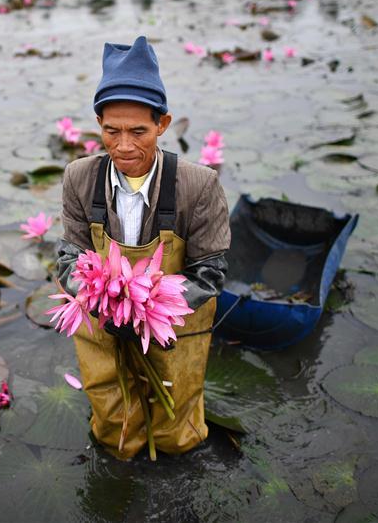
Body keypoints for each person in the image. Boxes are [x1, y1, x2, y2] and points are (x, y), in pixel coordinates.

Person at [55, 35, 231, 459]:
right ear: (98, 125)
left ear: (163, 125)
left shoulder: (198, 184)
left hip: (170, 324)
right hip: (104, 315)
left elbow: (211, 271)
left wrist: (145, 307)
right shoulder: (79, 178)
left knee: (175, 423)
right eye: (111, 131)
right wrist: (107, 308)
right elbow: (68, 258)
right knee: (113, 417)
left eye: (139, 131)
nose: (124, 146)